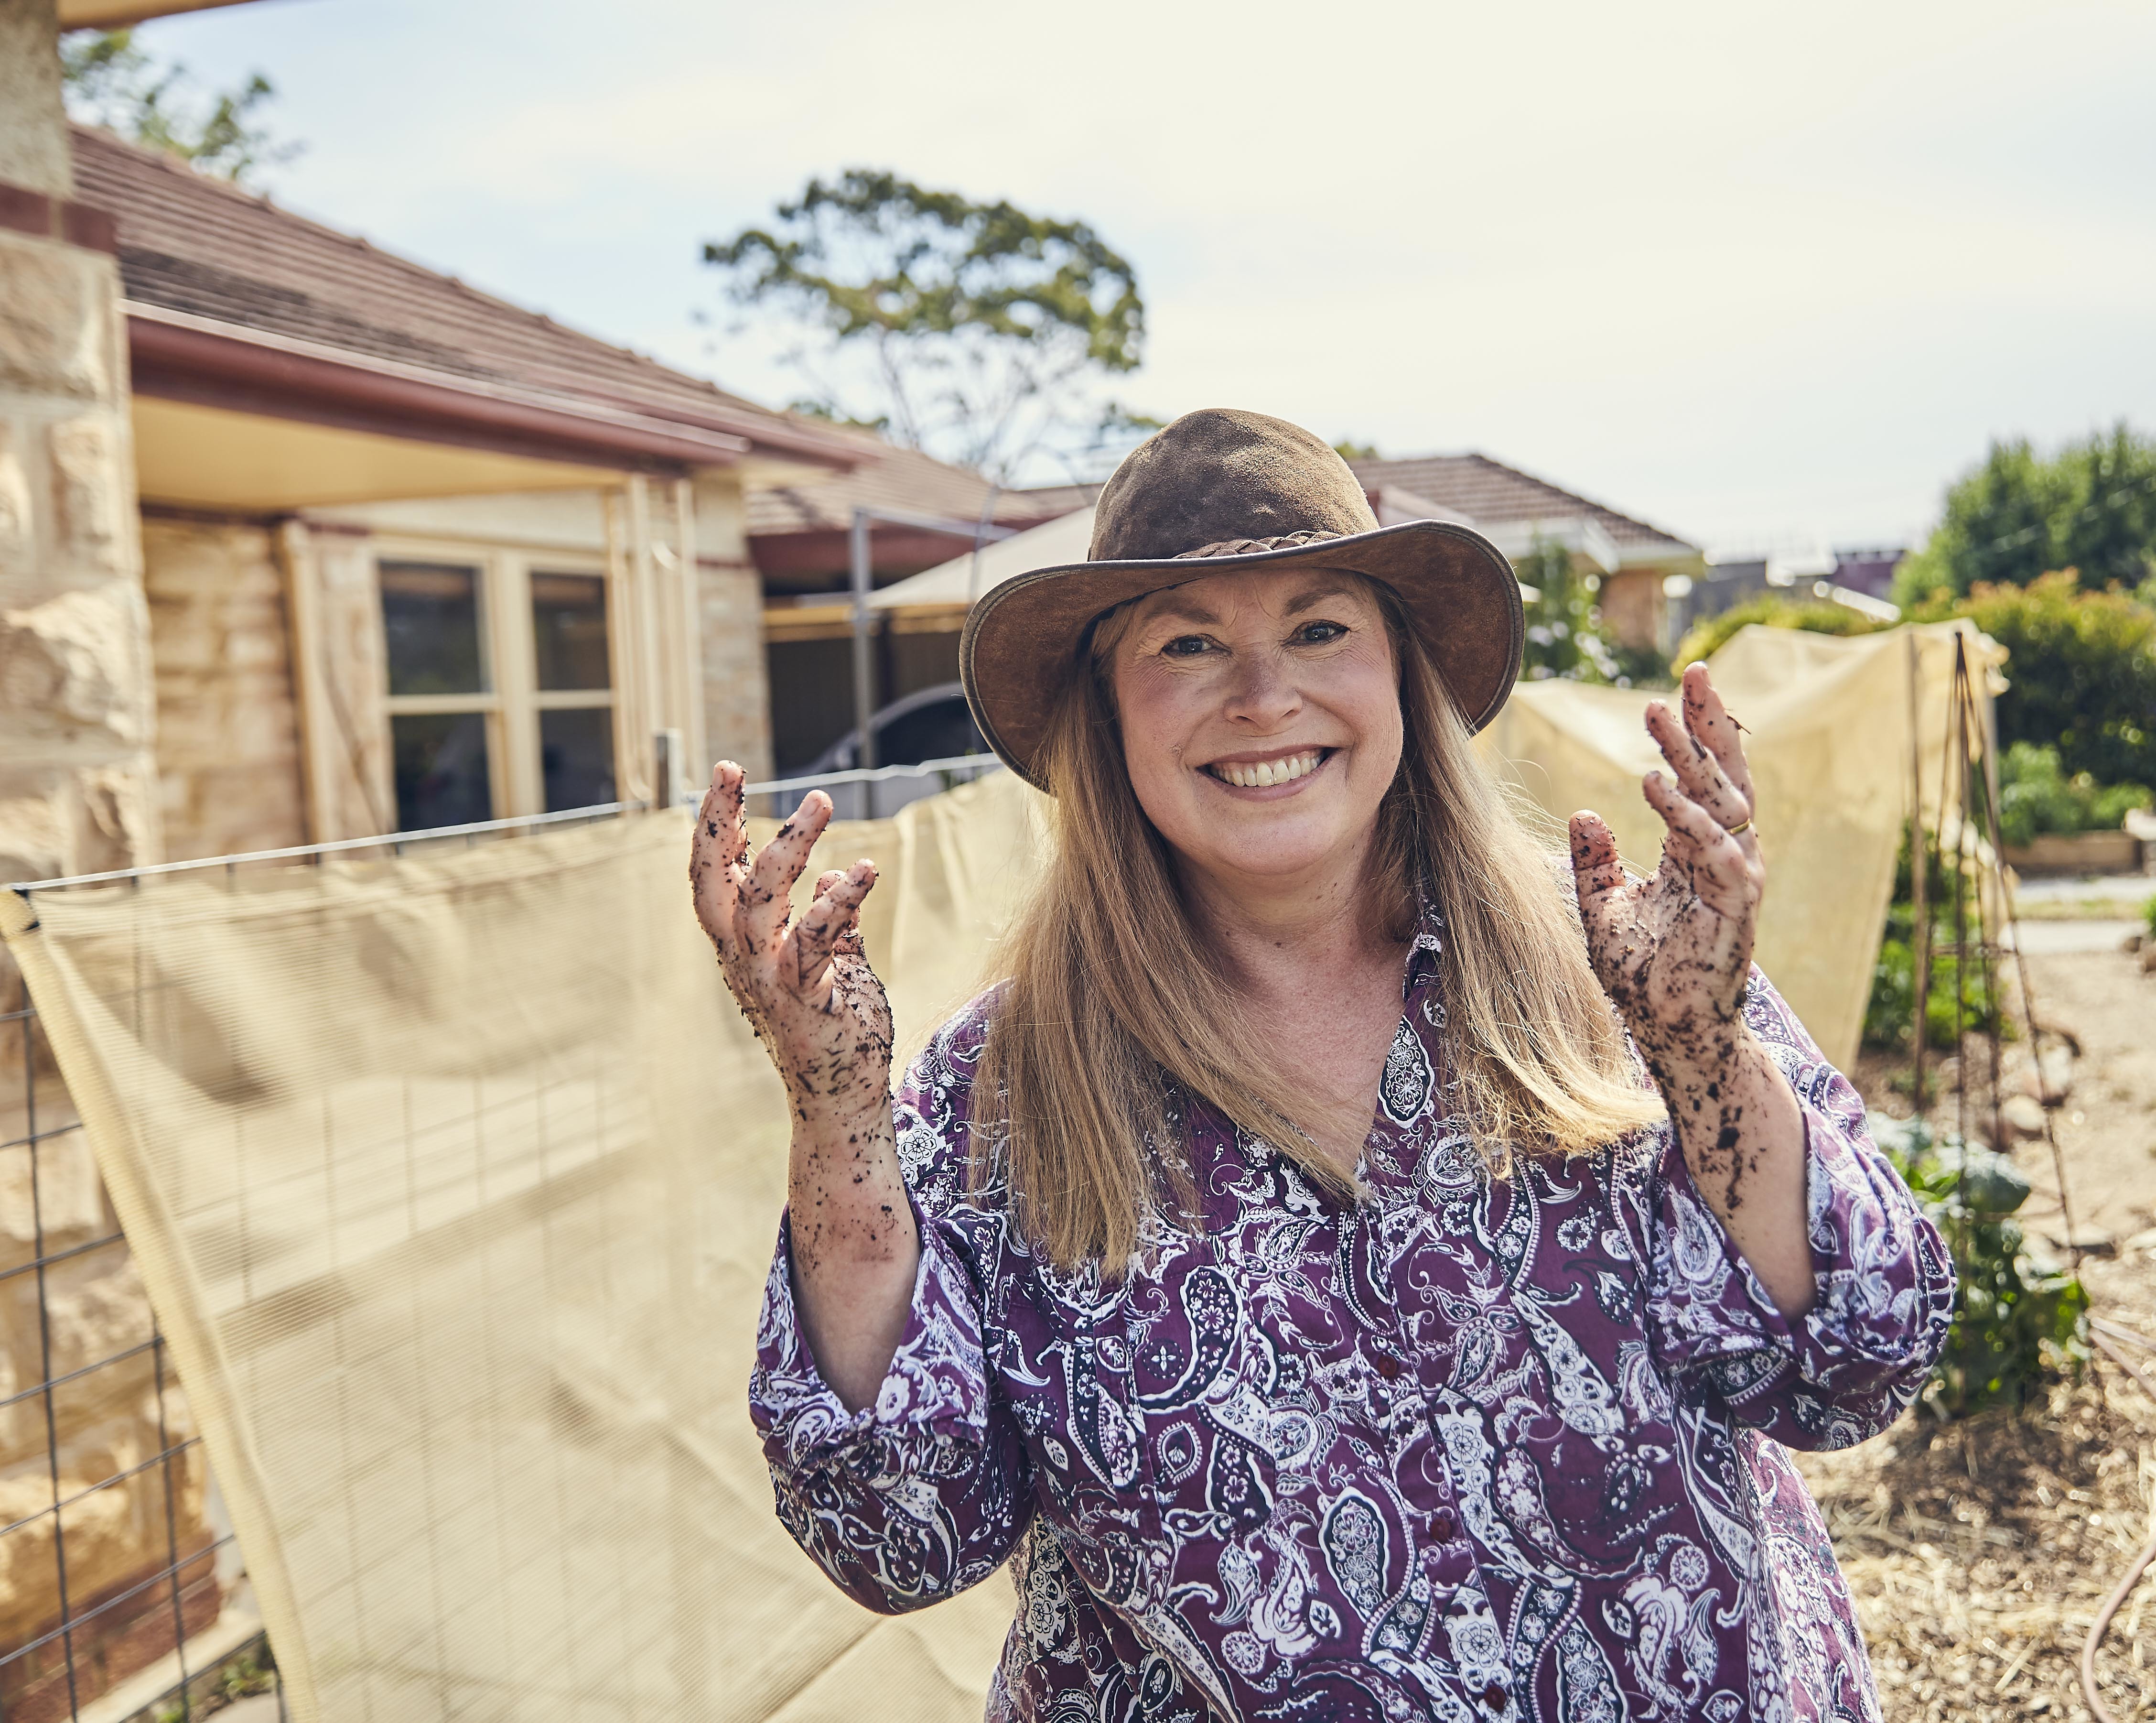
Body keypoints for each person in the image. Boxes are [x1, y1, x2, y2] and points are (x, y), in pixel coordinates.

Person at [691, 409, 1953, 1722]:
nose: (1264, 696)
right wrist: (836, 1110)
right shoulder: (1004, 1088)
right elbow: (899, 1532)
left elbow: (1859, 1360)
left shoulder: (1615, 974)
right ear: (1105, 711)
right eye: (1188, 644)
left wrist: (1702, 1052)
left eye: (1319, 628)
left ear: (1398, 672)